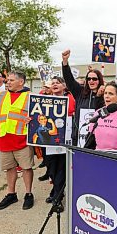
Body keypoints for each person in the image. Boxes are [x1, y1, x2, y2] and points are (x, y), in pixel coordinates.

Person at [0, 71, 35, 210]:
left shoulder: (30, 96)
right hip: (3, 138)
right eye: (7, 80)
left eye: (11, 80)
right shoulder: (0, 95)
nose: (7, 82)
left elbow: (40, 116)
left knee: (26, 168)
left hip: (22, 138)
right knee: (9, 168)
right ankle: (11, 194)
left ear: (21, 82)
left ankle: (28, 194)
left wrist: (32, 120)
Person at [61, 49, 105, 145]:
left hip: (95, 138)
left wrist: (99, 96)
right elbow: (69, 80)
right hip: (78, 136)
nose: (91, 81)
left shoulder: (104, 95)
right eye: (88, 78)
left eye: (94, 79)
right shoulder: (80, 92)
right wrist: (65, 62)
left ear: (99, 80)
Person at [45, 76, 76, 204]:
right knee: (52, 168)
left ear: (64, 86)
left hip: (64, 139)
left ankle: (57, 197)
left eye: (58, 82)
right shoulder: (44, 100)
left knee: (62, 168)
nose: (55, 84)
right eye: (53, 83)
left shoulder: (71, 99)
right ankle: (56, 189)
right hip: (49, 140)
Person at [93, 81, 117, 150]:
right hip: (98, 155)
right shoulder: (98, 113)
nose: (107, 96)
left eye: (111, 94)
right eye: (105, 93)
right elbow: (92, 137)